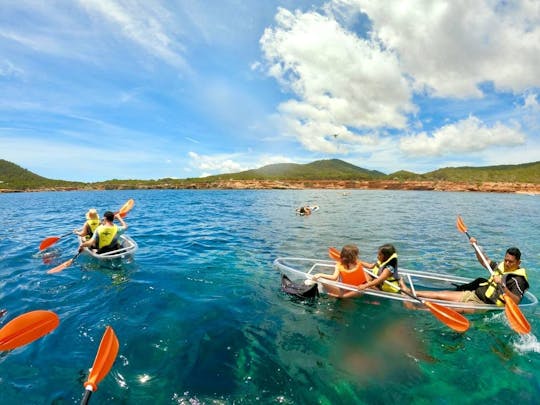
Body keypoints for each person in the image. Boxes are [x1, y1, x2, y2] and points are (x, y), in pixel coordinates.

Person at [411, 238, 529, 306]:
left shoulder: (518, 280)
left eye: (511, 262)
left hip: (484, 304)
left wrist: (502, 284)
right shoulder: (502, 266)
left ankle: (415, 307)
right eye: (506, 260)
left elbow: (516, 301)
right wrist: (476, 247)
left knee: (449, 307)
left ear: (518, 262)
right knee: (440, 294)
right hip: (475, 294)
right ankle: (410, 292)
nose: (507, 264)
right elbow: (485, 261)